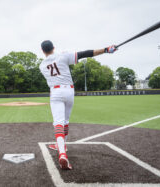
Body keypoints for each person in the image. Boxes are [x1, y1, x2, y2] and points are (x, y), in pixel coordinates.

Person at [39, 40, 116, 170]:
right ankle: (62, 146)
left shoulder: (41, 66)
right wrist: (106, 49)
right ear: (53, 47)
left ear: (43, 51)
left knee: (58, 122)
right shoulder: (62, 55)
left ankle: (62, 152)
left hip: (56, 92)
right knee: (66, 121)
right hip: (69, 91)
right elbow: (86, 53)